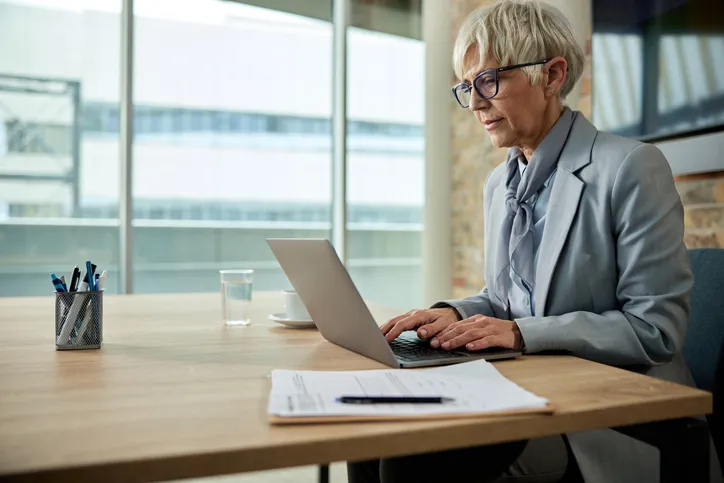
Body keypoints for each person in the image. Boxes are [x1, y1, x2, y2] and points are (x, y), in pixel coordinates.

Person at [347, 0, 705, 482]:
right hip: (522, 387)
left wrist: (522, 334)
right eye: (466, 87)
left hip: (605, 415)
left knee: (411, 463)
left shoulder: (630, 168)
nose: (474, 103)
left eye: (488, 81)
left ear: (552, 75)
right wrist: (455, 313)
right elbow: (505, 299)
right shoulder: (499, 184)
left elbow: (654, 329)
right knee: (372, 434)